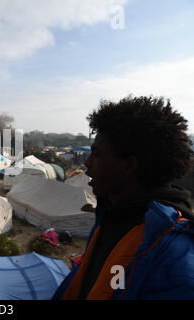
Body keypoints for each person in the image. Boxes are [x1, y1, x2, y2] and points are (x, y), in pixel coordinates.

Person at [53, 95, 194, 300]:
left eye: (96, 153)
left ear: (128, 165)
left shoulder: (174, 256)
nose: (88, 163)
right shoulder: (113, 216)